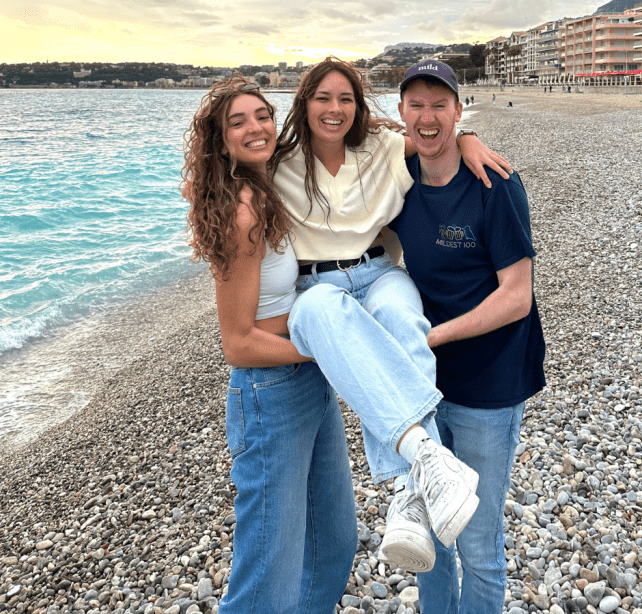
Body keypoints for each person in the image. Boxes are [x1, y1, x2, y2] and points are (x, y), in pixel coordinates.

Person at [272, 58, 513, 572]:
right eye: (323, 98)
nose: (334, 110)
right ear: (304, 103)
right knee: (314, 308)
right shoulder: (280, 162)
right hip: (318, 282)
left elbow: (434, 135)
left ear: (359, 107)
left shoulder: (380, 147)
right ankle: (427, 465)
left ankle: (408, 493)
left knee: (405, 324)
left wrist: (468, 138)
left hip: (380, 271)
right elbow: (228, 166)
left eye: (345, 99)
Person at [182, 79, 358, 614]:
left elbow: (332, 139)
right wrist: (322, 349)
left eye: (262, 115)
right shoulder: (241, 211)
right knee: (267, 575)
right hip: (269, 392)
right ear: (221, 139)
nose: (256, 127)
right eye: (238, 122)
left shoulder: (266, 183)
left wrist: (459, 138)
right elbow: (236, 344)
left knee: (334, 543)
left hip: (308, 381)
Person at [390, 61, 546, 614]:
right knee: (428, 535)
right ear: (400, 112)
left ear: (460, 110)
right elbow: (340, 136)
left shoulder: (494, 184)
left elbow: (516, 296)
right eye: (416, 105)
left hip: (488, 380)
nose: (427, 117)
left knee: (478, 541)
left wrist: (432, 337)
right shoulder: (400, 175)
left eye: (440, 105)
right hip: (426, 385)